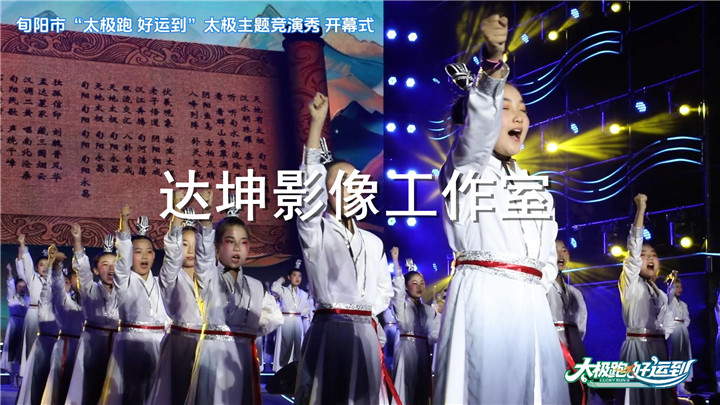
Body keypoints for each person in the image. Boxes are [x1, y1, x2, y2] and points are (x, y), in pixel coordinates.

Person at [433, 14, 569, 404]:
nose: (519, 115)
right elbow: (477, 134)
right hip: (484, 300)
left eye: (523, 108)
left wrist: (530, 293)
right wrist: (493, 65)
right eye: (505, 107)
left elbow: (547, 258)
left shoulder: (536, 190)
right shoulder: (464, 171)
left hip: (532, 307)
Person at [294, 92, 394, 404]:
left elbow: (385, 289)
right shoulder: (316, 231)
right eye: (339, 185)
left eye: (354, 184)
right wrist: (316, 125)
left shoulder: (373, 242)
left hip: (365, 334)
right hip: (330, 332)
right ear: (325, 192)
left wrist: (363, 311)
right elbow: (308, 194)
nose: (348, 191)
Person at [185, 190, 283, 404]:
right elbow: (203, 257)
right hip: (213, 355)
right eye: (230, 241)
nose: (237, 248)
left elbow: (275, 317)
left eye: (243, 242)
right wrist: (206, 217)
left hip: (243, 356)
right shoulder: (209, 277)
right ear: (217, 246)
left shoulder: (256, 286)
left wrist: (249, 328)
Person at [100, 207, 169, 405]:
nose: (144, 257)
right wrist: (124, 223)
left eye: (149, 252)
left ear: (154, 256)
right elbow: (122, 262)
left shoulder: (161, 282)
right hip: (131, 345)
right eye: (138, 252)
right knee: (131, 395)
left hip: (159, 346)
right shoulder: (124, 280)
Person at [616, 193, 676, 405]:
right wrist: (641, 209)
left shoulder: (660, 293)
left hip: (658, 349)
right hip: (637, 348)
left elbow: (668, 324)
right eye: (644, 254)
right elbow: (633, 248)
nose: (650, 257)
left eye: (654, 254)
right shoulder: (630, 282)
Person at [146, 195, 204, 405]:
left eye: (195, 245)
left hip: (206, 344)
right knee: (177, 394)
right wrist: (177, 213)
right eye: (184, 244)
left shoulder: (209, 277)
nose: (190, 251)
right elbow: (171, 256)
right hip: (180, 343)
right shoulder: (170, 275)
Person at [66, 226, 119, 405]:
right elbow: (82, 269)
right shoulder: (89, 289)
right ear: (96, 270)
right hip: (93, 345)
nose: (111, 269)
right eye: (105, 265)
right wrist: (78, 241)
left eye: (115, 264)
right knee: (90, 389)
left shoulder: (125, 291)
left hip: (117, 346)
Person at [389, 247, 439, 405]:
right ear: (406, 286)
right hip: (406, 349)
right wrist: (396, 263)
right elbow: (398, 292)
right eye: (414, 283)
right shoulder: (402, 306)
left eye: (422, 283)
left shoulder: (428, 310)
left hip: (422, 351)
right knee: (405, 387)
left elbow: (436, 332)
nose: (419, 286)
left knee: (421, 389)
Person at [16, 239, 63, 405]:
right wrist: (23, 246)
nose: (43, 267)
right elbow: (26, 263)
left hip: (49, 316)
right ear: (37, 267)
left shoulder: (54, 279)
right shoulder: (32, 278)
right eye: (41, 265)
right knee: (31, 348)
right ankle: (27, 376)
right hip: (34, 314)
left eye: (46, 264)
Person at [41, 247, 84, 405]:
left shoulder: (93, 299)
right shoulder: (65, 299)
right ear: (70, 280)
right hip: (67, 348)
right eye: (75, 276)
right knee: (61, 389)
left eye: (82, 276)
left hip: (86, 349)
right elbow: (57, 287)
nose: (79, 280)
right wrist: (57, 266)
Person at [548, 239, 588, 405]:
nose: (560, 254)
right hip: (550, 346)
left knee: (576, 392)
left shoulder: (575, 293)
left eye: (563, 250)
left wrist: (575, 344)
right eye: (555, 250)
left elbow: (581, 324)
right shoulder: (542, 287)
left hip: (574, 347)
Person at [271, 261, 314, 372]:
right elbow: (274, 289)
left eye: (299, 276)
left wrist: (299, 313)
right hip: (286, 319)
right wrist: (280, 280)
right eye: (294, 275)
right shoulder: (284, 290)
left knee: (298, 344)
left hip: (298, 320)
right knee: (285, 344)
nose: (297, 278)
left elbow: (307, 307)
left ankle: (296, 368)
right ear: (289, 277)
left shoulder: (303, 294)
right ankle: (282, 368)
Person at [1, 263, 28, 387]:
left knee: (21, 352)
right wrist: (10, 272)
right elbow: (10, 285)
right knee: (12, 351)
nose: (21, 288)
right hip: (14, 326)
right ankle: (12, 377)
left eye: (23, 286)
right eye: (19, 286)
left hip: (24, 326)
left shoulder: (28, 299)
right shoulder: (12, 298)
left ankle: (21, 378)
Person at [667, 276, 693, 396]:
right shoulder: (669, 301)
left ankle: (681, 385)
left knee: (684, 356)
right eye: (676, 287)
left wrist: (683, 327)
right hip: (673, 329)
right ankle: (673, 385)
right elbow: (669, 295)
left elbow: (687, 319)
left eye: (680, 287)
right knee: (675, 356)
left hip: (683, 330)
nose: (679, 289)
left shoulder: (684, 304)